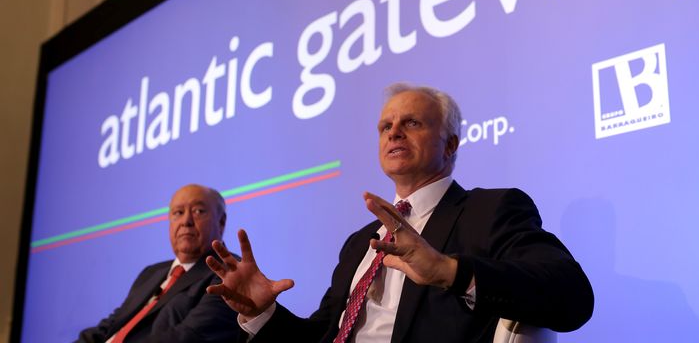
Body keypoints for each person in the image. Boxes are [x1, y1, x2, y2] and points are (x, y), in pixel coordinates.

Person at [206, 84, 594, 342]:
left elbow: (572, 296)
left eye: (411, 123)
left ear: (450, 144)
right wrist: (263, 313)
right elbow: (323, 336)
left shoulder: (489, 210)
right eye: (385, 126)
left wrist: (449, 272)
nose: (394, 133)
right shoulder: (361, 241)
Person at [77, 184, 239, 343]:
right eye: (178, 213)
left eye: (198, 211)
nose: (186, 221)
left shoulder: (228, 271)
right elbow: (110, 327)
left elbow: (191, 336)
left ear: (221, 221)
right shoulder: (151, 273)